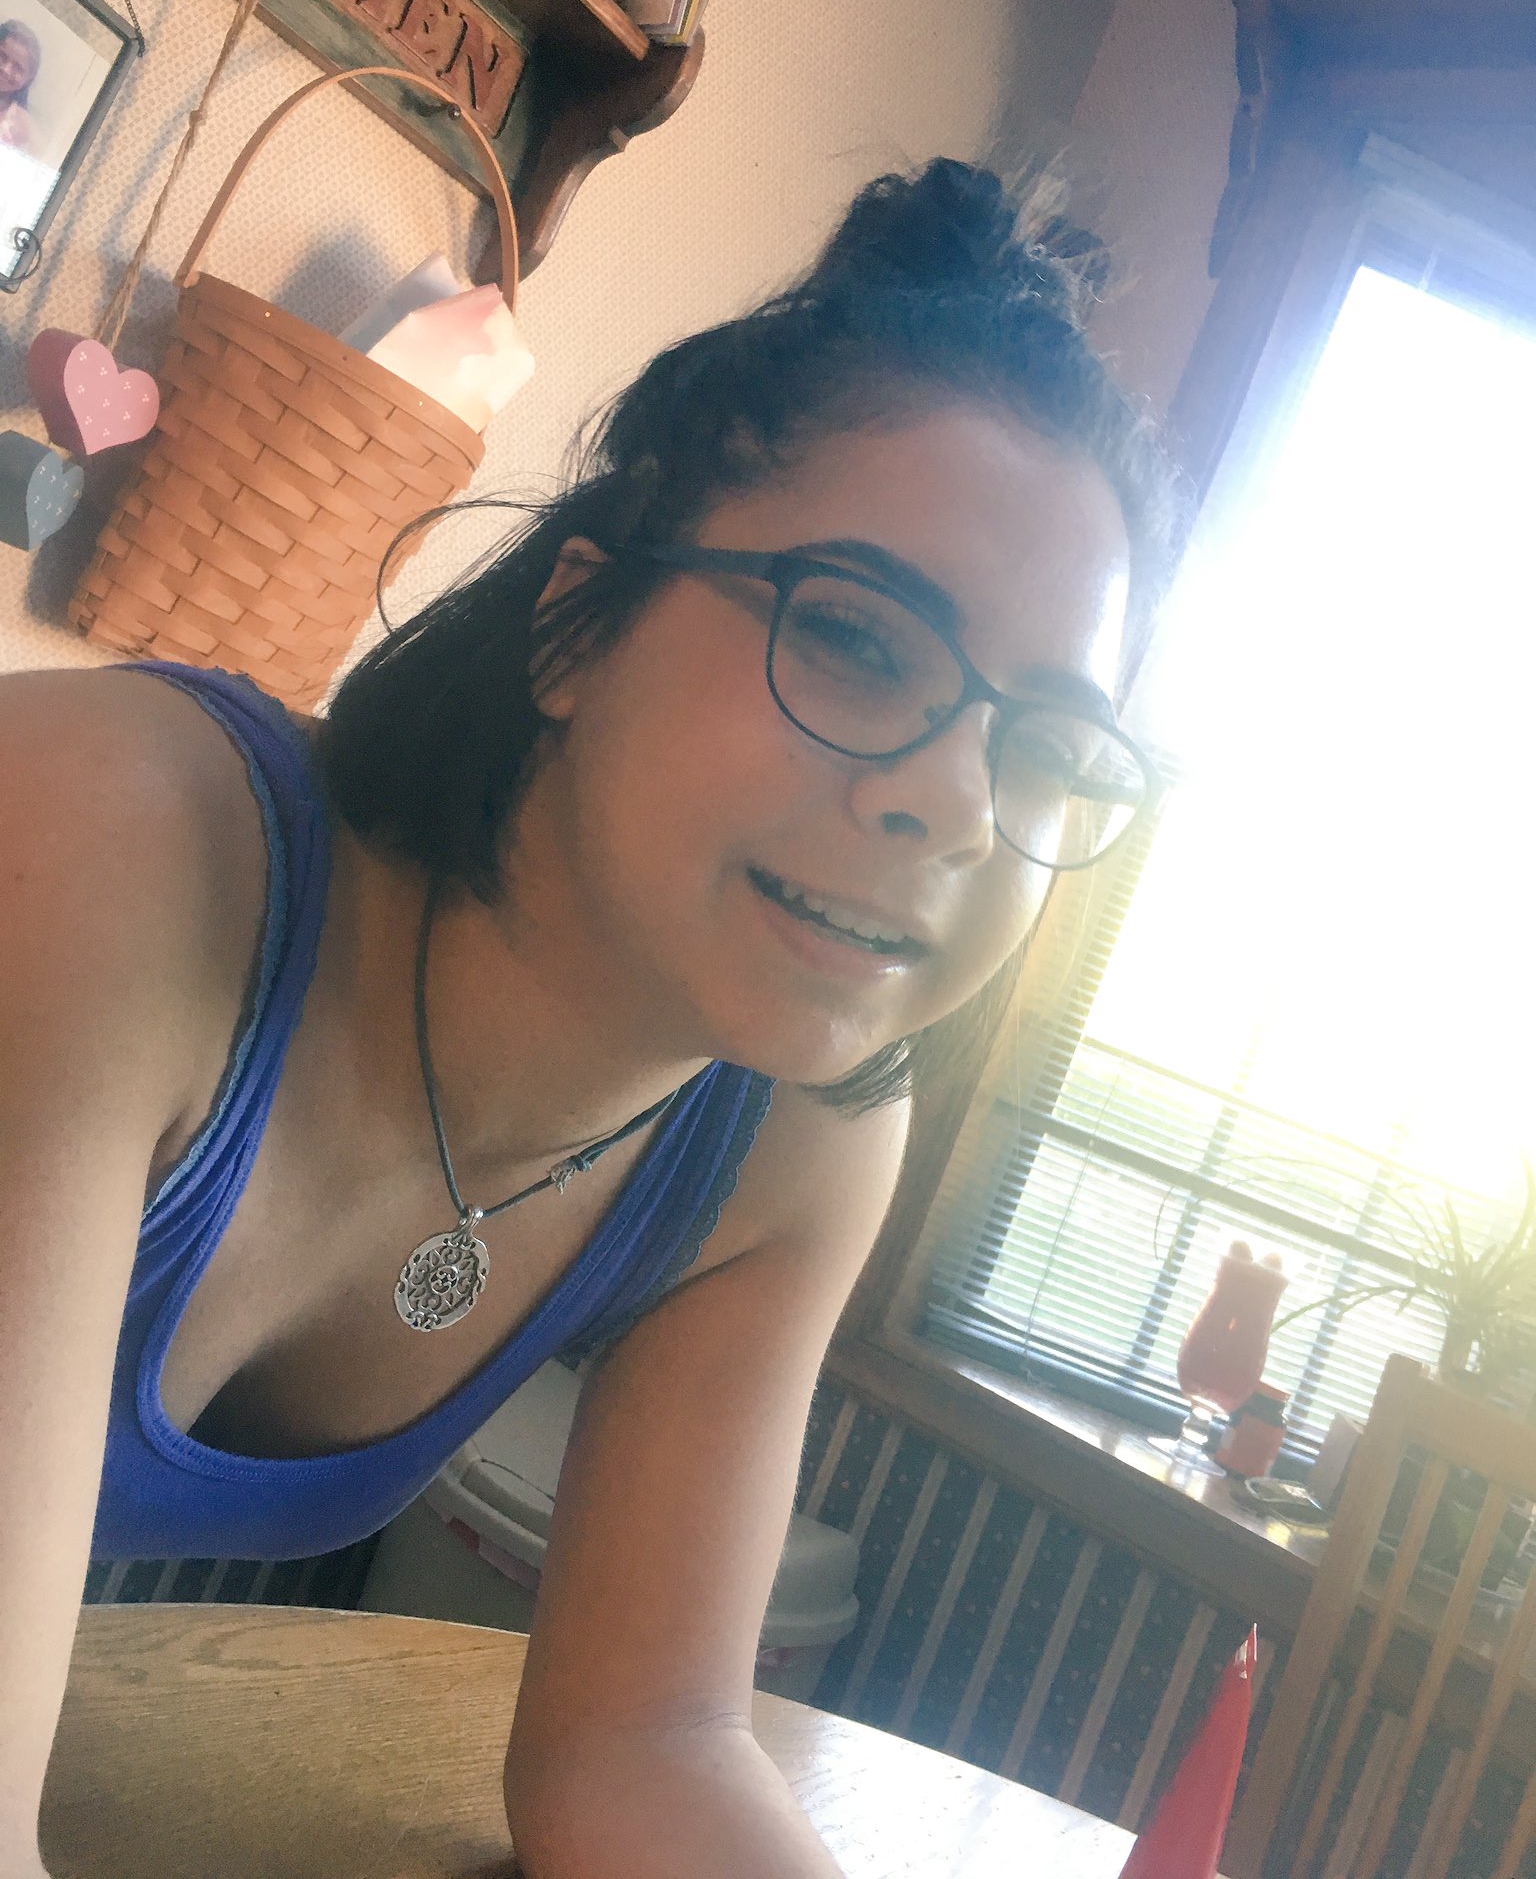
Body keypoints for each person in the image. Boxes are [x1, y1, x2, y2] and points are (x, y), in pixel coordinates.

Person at [0, 160, 1174, 1879]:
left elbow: (647, 1748)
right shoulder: (105, 844)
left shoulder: (799, 1143)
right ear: (576, 627)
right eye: (859, 641)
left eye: (1052, 747)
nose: (959, 803)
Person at [0, 19, 40, 151]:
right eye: (2, 55)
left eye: (18, 67)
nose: (5, 69)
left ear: (28, 78)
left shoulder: (26, 128)